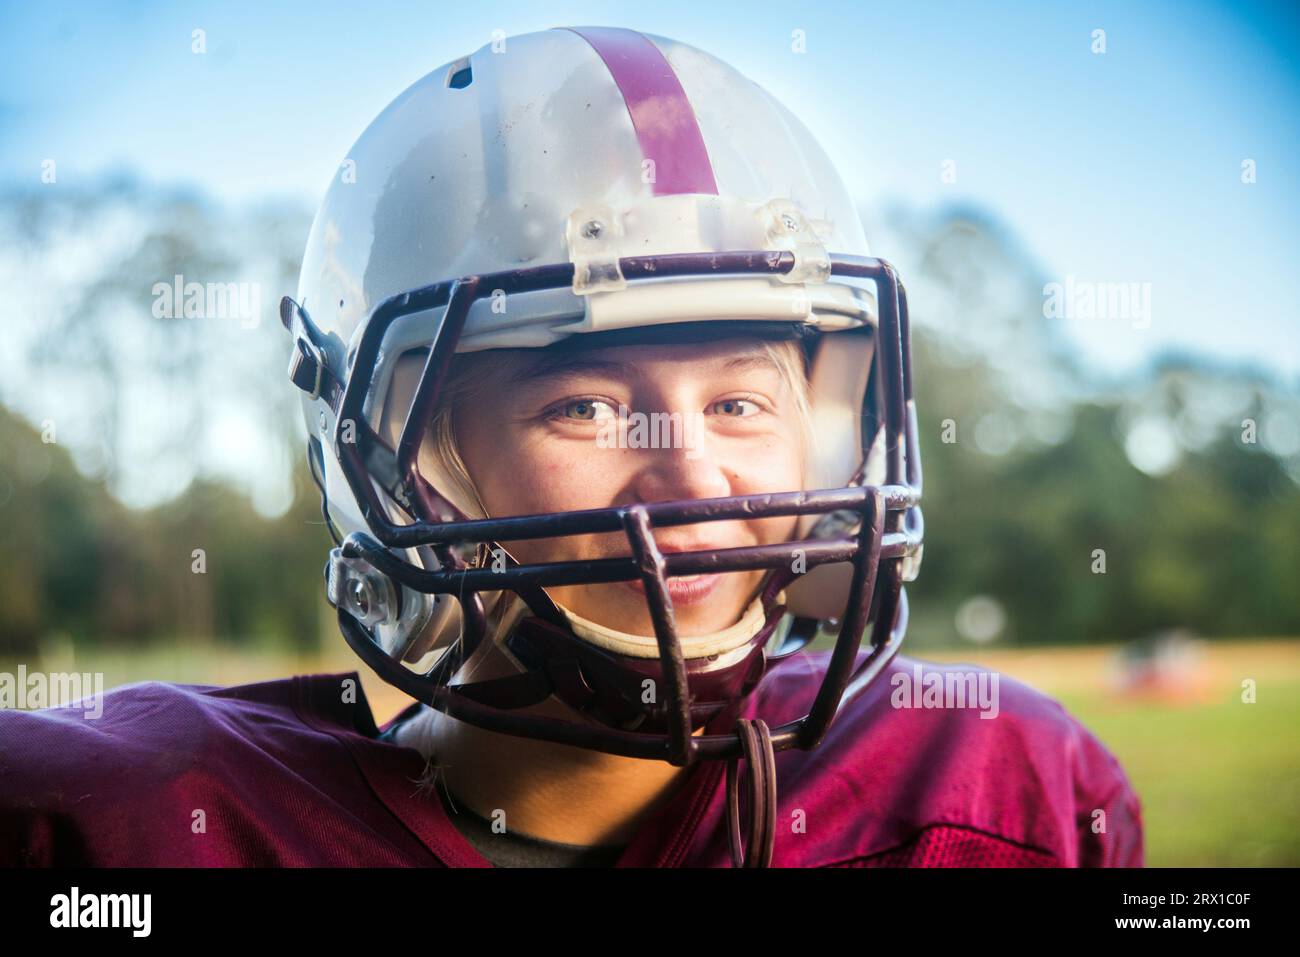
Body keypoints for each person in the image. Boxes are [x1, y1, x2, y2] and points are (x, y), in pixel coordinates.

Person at [0, 26, 1142, 868]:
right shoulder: (131, 833)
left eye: (741, 403)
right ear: (401, 465)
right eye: (584, 407)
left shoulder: (997, 793)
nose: (690, 474)